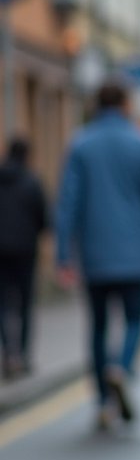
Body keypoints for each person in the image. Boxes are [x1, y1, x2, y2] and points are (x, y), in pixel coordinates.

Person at [55, 80, 140, 430]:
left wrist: (63, 256)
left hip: (93, 254)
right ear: (125, 104)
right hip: (137, 254)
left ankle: (102, 403)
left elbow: (68, 205)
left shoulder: (80, 144)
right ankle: (121, 368)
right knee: (136, 320)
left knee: (97, 326)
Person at [0, 137, 49, 378]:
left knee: (2, 303)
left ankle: (8, 352)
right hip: (26, 251)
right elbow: (43, 218)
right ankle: (24, 354)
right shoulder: (32, 181)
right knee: (25, 303)